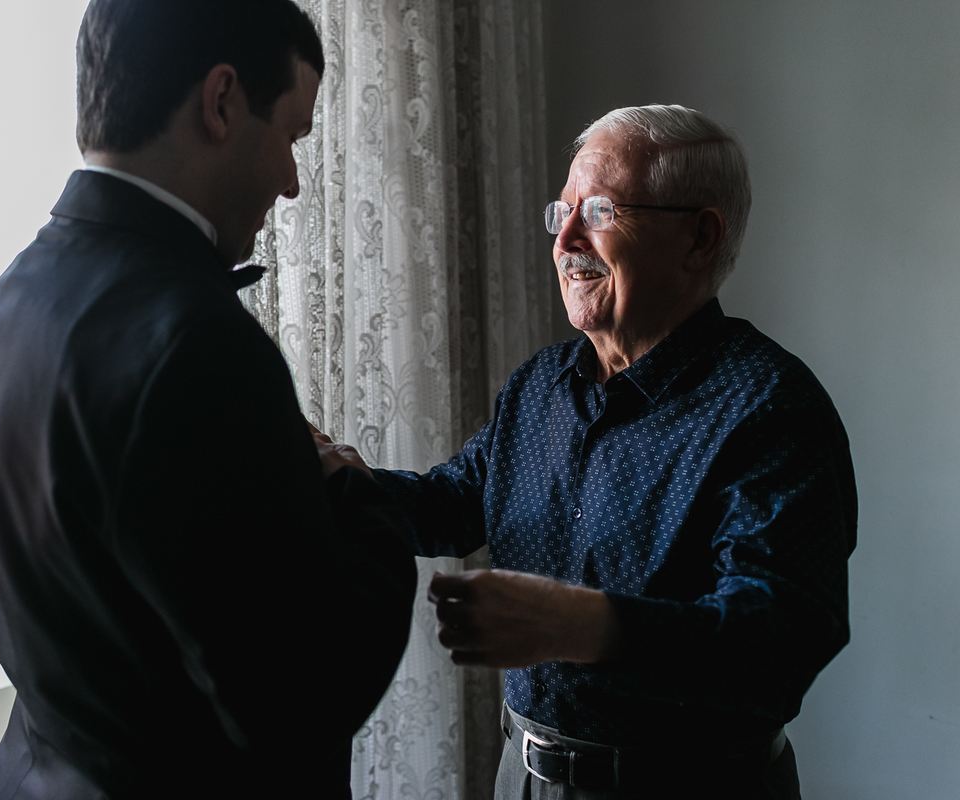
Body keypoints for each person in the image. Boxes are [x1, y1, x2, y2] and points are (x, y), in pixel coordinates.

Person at [316, 105, 857, 799]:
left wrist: (585, 627)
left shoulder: (772, 408)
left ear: (700, 236)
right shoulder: (540, 384)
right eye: (562, 211)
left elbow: (779, 641)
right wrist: (337, 477)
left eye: (600, 211)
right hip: (523, 775)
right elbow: (453, 503)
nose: (566, 239)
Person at [0, 2, 417, 798]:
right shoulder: (196, 346)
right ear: (222, 101)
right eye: (292, 135)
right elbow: (305, 700)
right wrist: (354, 490)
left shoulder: (4, 305)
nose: (293, 182)